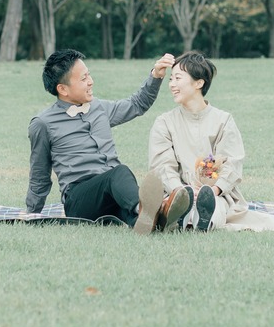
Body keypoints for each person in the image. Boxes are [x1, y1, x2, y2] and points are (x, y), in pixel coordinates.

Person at [27, 49, 192, 234]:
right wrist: (32, 214)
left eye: (88, 75)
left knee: (124, 200)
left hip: (112, 194)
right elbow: (39, 174)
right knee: (119, 173)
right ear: (62, 89)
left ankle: (156, 220)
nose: (91, 81)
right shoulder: (43, 123)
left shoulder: (99, 108)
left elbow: (137, 104)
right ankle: (148, 209)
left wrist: (156, 75)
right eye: (83, 79)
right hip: (80, 199)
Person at [148, 51, 274, 232]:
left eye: (178, 78)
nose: (172, 84)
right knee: (173, 206)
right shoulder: (164, 122)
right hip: (175, 193)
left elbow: (232, 163)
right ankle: (182, 215)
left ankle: (199, 220)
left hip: (214, 194)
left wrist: (214, 190)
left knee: (215, 209)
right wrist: (180, 192)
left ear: (199, 83)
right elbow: (162, 166)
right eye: (171, 79)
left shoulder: (223, 120)